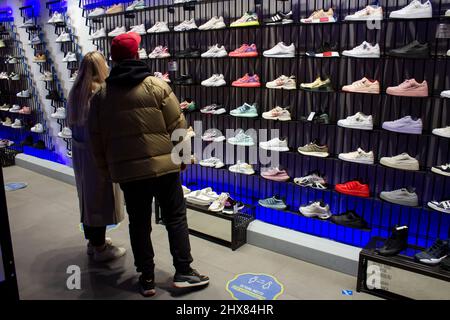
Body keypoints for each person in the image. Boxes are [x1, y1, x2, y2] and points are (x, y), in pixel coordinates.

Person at [88, 33, 209, 297]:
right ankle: (184, 271)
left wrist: (107, 171)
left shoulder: (101, 97)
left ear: (114, 59)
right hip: (165, 168)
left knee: (139, 223)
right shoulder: (157, 86)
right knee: (175, 218)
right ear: (137, 55)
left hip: (130, 174)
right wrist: (182, 158)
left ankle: (147, 277)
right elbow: (178, 126)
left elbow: (96, 141)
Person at [67, 51, 126, 263]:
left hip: (80, 153)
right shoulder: (100, 93)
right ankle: (100, 247)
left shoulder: (75, 92)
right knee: (101, 198)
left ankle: (93, 242)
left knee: (87, 198)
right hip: (97, 153)